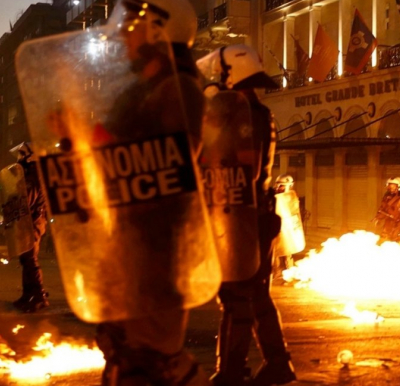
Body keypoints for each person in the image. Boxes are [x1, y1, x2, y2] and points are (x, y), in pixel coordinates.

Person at [89, 0, 214, 384]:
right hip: (130, 245)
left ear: (161, 30)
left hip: (157, 249)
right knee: (126, 354)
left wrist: (108, 151)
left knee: (148, 364)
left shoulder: (179, 89)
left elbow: (170, 167)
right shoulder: (140, 92)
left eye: (134, 23)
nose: (123, 31)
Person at [201, 44, 296, 386]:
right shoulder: (255, 111)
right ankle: (277, 363)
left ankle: (230, 372)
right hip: (255, 214)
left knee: (236, 296)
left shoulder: (243, 115)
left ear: (231, 75)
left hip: (244, 217)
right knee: (256, 295)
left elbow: (240, 170)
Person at [8, 143, 49, 313]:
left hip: (34, 220)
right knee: (26, 258)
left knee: (30, 258)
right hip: (30, 220)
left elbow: (28, 198)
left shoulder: (33, 173)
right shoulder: (30, 172)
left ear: (29, 156)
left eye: (22, 154)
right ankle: (28, 294)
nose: (19, 157)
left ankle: (38, 296)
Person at [272, 174, 295, 279]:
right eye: (278, 185)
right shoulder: (274, 196)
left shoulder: (291, 198)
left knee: (287, 252)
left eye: (282, 185)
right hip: (276, 228)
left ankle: (289, 273)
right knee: (275, 252)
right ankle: (276, 272)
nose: (279, 187)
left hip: (287, 229)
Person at [374, 177, 400, 244]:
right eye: (390, 186)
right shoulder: (387, 195)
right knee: (384, 238)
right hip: (389, 221)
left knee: (397, 240)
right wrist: (378, 217)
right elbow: (383, 207)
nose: (391, 188)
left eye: (393, 186)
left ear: (399, 186)